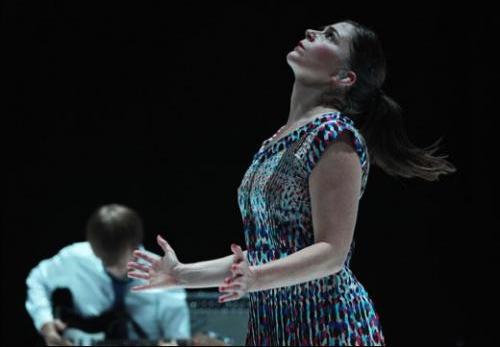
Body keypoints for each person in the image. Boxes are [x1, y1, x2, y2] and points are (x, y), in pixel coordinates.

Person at [126, 20, 457, 346]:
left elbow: (332, 253)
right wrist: (181, 275)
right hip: (273, 327)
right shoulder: (274, 142)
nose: (312, 31)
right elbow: (268, 253)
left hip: (329, 327)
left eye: (330, 36)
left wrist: (256, 278)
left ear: (344, 77)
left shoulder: (334, 136)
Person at [26, 203, 191, 346]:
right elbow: (37, 279)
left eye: (120, 264)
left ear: (135, 246)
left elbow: (178, 336)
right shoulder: (76, 258)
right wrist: (45, 323)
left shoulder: (166, 276)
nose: (114, 272)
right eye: (104, 261)